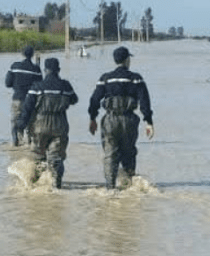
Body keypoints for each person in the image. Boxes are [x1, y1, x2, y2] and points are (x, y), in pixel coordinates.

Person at [88, 46, 155, 189]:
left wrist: (92, 118)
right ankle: (128, 186)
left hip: (110, 120)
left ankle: (110, 188)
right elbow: (145, 101)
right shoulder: (136, 79)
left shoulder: (105, 78)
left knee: (110, 155)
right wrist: (149, 122)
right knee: (129, 153)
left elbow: (94, 100)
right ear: (127, 60)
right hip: (129, 121)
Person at [16, 57, 78, 188]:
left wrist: (21, 125)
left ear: (45, 70)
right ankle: (56, 185)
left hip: (39, 125)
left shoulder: (37, 87)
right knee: (56, 158)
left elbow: (27, 108)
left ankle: (36, 187)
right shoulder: (65, 86)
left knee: (38, 157)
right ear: (58, 70)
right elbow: (74, 100)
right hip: (59, 125)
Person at [4, 45, 42, 146]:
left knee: (15, 121)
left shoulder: (15, 66)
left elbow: (7, 83)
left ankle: (15, 142)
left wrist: (17, 86)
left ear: (22, 54)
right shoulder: (36, 69)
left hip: (18, 98)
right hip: (31, 101)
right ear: (32, 55)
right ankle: (30, 143)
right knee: (31, 123)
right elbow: (40, 87)